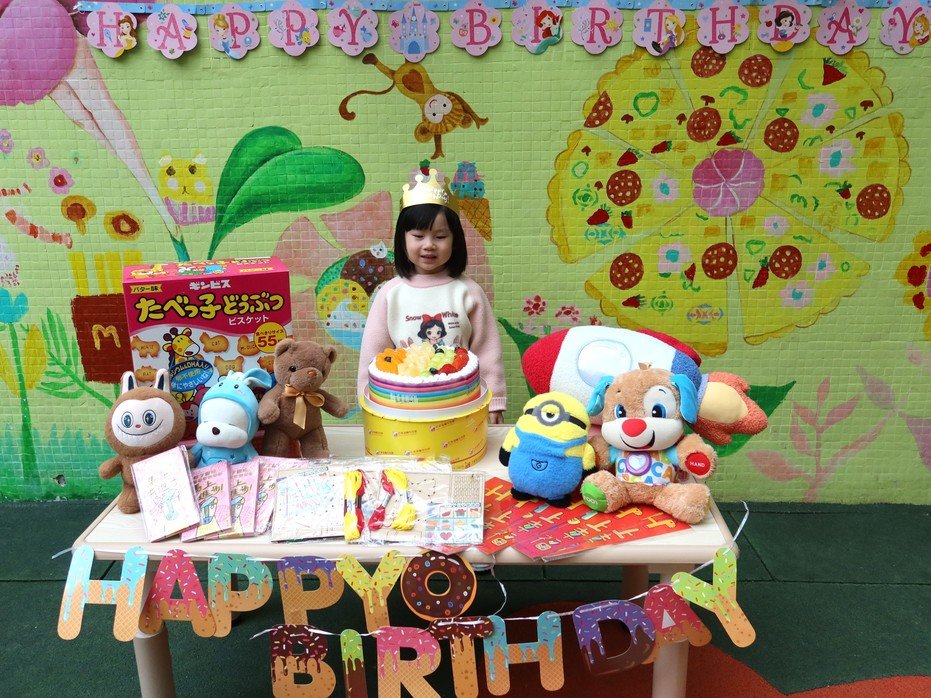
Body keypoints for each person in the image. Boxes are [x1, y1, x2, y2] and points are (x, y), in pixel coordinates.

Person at [357, 169, 506, 423]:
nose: (429, 244)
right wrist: (369, 400)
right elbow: (373, 357)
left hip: (461, 406)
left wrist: (494, 403)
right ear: (402, 240)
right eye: (418, 236)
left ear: (455, 241)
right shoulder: (390, 294)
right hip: (403, 410)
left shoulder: (468, 292)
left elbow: (487, 352)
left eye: (440, 236)